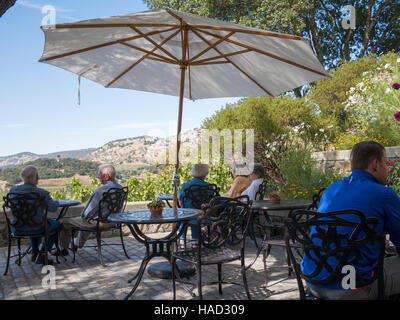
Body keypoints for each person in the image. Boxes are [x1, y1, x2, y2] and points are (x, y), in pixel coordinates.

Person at [301, 141, 400, 299]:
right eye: (386, 163)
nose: (388, 169)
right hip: (353, 286)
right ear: (375, 164)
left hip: (314, 280)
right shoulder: (384, 194)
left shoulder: (331, 189)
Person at [57, 164, 122, 255]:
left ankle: (63, 249)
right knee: (89, 219)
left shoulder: (100, 191)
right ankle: (77, 244)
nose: (98, 177)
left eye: (99, 174)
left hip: (100, 223)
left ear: (106, 176)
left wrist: (83, 216)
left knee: (66, 222)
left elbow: (87, 213)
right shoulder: (121, 188)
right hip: (114, 222)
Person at [9, 165, 60, 265]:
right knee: (57, 225)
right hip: (37, 227)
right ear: (36, 177)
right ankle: (42, 254)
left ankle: (35, 252)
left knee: (35, 221)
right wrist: (56, 201)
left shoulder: (13, 191)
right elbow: (53, 208)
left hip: (17, 229)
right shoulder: (42, 193)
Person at [177, 163, 214, 249]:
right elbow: (212, 202)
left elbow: (180, 200)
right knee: (196, 217)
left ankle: (182, 241)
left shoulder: (186, 185)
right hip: (204, 215)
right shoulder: (210, 186)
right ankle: (195, 242)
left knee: (183, 216)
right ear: (206, 173)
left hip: (188, 215)